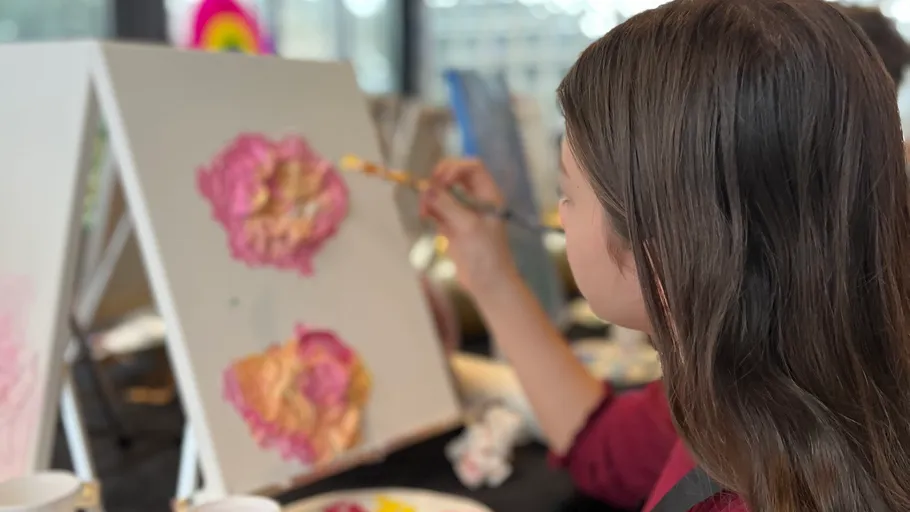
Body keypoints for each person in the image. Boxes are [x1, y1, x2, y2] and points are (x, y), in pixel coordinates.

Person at [419, 0, 910, 511]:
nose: (560, 217)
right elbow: (606, 450)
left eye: (568, 195)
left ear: (664, 258)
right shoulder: (756, 377)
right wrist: (490, 274)